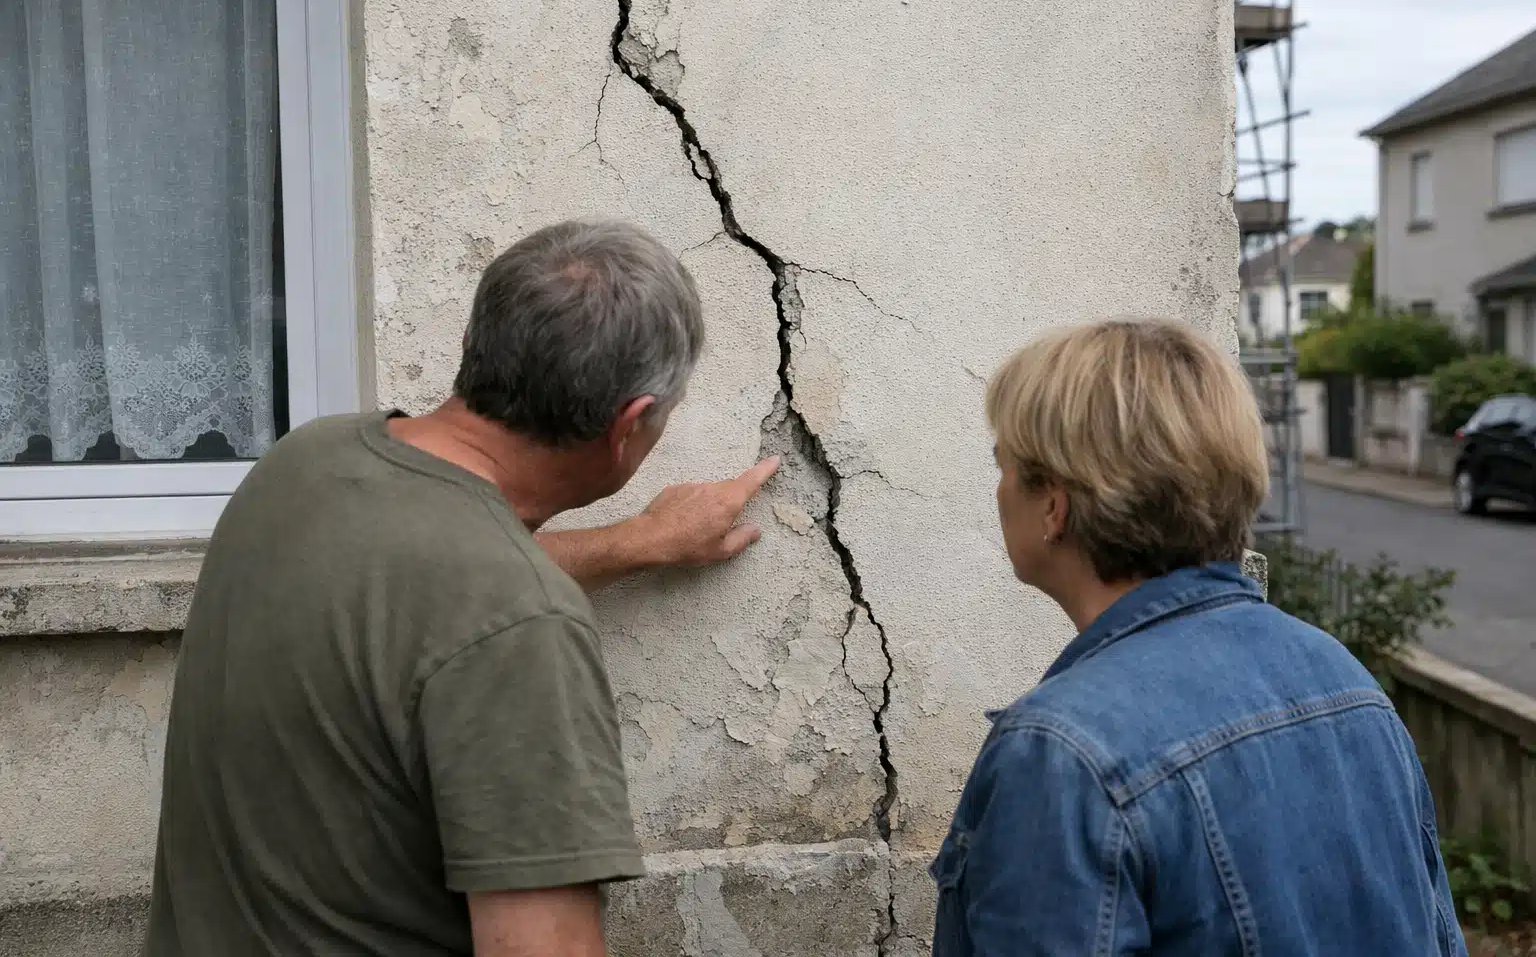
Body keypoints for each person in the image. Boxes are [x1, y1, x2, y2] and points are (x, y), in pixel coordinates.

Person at [145, 220, 779, 956]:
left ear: (485, 340)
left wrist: (638, 542)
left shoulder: (305, 463)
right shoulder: (521, 626)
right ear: (629, 424)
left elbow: (422, 592)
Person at [931, 319, 1466, 956]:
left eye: (1003, 466)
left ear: (1054, 505)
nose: (998, 491)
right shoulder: (1343, 680)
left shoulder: (1061, 753)